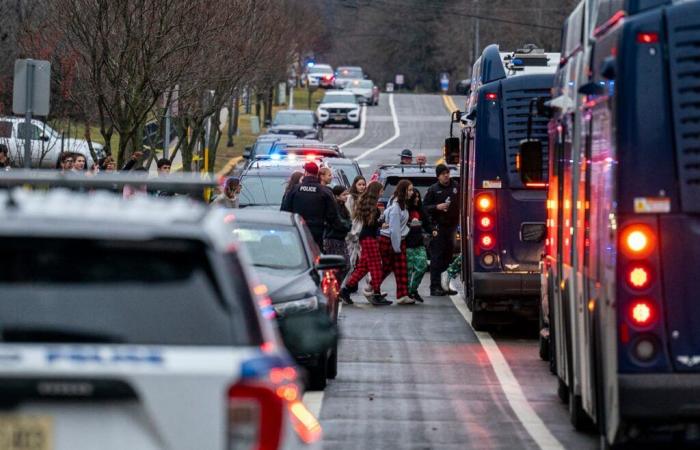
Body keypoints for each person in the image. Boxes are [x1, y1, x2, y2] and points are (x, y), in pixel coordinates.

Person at [339, 181, 391, 306]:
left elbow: (367, 222)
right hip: (370, 239)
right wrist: (381, 223)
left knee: (363, 267)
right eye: (381, 190)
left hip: (364, 237)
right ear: (377, 191)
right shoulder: (373, 207)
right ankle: (376, 293)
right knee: (376, 266)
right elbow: (371, 223)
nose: (382, 193)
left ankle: (345, 290)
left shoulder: (365, 203)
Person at [281, 161, 344, 252]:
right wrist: (341, 229)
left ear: (305, 173)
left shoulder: (295, 190)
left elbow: (285, 211)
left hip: (298, 231)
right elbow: (333, 216)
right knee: (316, 257)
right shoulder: (325, 191)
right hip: (317, 232)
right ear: (317, 173)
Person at [423, 163, 460, 296]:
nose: (446, 175)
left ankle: (445, 285)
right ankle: (435, 286)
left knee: (448, 257)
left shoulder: (456, 186)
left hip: (453, 227)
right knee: (436, 258)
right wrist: (437, 207)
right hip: (439, 227)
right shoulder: (433, 189)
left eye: (447, 173)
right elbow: (425, 207)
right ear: (438, 176)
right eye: (443, 174)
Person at [378, 179, 414, 304]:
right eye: (409, 190)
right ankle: (372, 286)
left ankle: (402, 295)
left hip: (397, 240)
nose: (412, 192)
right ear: (403, 191)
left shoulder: (402, 204)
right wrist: (397, 247)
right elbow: (394, 230)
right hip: (391, 241)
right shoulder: (396, 207)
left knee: (400, 268)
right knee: (388, 267)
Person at [406, 189, 431, 303]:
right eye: (414, 197)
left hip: (418, 243)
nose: (416, 199)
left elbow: (426, 224)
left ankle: (413, 289)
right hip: (407, 243)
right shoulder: (405, 209)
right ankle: (406, 293)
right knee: (408, 270)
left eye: (418, 197)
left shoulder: (421, 210)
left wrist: (433, 231)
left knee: (422, 266)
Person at [323, 185, 352, 281]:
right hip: (333, 240)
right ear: (336, 196)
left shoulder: (343, 207)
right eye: (344, 195)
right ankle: (332, 289)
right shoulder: (334, 208)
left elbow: (348, 222)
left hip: (341, 239)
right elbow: (340, 223)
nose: (346, 196)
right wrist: (347, 225)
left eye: (347, 194)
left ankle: (335, 289)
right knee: (336, 267)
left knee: (346, 266)